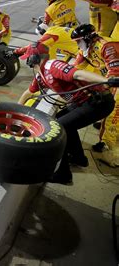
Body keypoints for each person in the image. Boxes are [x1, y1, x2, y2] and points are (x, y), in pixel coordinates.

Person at [18, 50, 118, 184]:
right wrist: (17, 112)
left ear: (35, 60)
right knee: (61, 117)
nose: (30, 66)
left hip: (98, 101)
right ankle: (79, 158)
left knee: (59, 127)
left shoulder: (52, 66)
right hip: (83, 102)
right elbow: (28, 93)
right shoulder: (41, 76)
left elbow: (78, 74)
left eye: (29, 62)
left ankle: (63, 174)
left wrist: (107, 80)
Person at [70, 24, 119, 166]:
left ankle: (114, 156)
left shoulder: (106, 46)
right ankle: (105, 141)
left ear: (87, 38)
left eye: (78, 41)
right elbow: (74, 70)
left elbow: (115, 74)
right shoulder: (86, 49)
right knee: (108, 114)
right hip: (113, 81)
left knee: (112, 119)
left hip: (117, 81)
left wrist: (100, 89)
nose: (77, 44)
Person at [14, 25, 78, 63]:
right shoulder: (57, 32)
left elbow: (35, 45)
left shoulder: (51, 34)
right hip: (81, 52)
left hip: (84, 55)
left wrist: (18, 51)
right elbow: (53, 60)